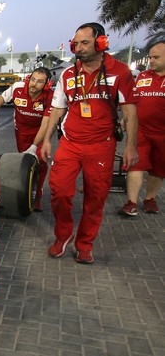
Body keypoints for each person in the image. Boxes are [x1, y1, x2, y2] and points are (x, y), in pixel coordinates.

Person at [40, 22, 138, 264]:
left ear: (101, 42)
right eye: (76, 43)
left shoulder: (120, 72)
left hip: (101, 146)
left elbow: (131, 113)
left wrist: (130, 146)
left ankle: (85, 244)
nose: (78, 48)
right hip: (71, 144)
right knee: (59, 191)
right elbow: (57, 109)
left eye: (85, 42)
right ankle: (63, 235)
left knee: (95, 198)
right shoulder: (68, 74)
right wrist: (47, 140)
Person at [0, 67, 54, 211]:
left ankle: (37, 196)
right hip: (21, 132)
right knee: (26, 162)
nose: (34, 84)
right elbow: (1, 98)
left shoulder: (50, 96)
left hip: (41, 131)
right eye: (32, 80)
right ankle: (25, 191)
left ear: (46, 85)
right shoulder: (17, 88)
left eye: (39, 82)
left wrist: (35, 146)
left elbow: (46, 124)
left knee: (41, 161)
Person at [119, 41, 165, 216]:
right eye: (150, 57)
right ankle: (131, 202)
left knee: (158, 169)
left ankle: (150, 199)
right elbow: (132, 101)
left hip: (163, 134)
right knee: (135, 164)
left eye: (156, 57)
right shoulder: (143, 77)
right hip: (141, 131)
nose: (151, 60)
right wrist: (126, 118)